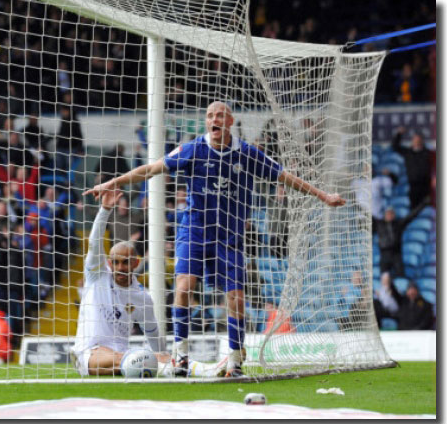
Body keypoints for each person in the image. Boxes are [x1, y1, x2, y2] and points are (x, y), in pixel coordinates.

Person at [84, 101, 345, 377]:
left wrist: (323, 196)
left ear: (230, 121)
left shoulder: (246, 153)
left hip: (229, 235)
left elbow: (285, 176)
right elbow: (151, 169)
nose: (214, 119)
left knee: (236, 297)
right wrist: (115, 183)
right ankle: (180, 357)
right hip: (195, 229)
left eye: (220, 115)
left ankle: (235, 361)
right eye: (210, 115)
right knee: (184, 286)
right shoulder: (193, 149)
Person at [71, 189, 226, 378]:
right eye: (116, 262)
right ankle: (173, 369)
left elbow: (153, 335)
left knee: (150, 358)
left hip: (126, 358)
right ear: (109, 263)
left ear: (135, 263)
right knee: (127, 358)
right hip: (89, 354)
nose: (120, 267)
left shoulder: (142, 297)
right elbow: (95, 243)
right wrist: (105, 209)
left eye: (126, 262)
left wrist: (162, 355)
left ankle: (209, 370)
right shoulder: (98, 277)